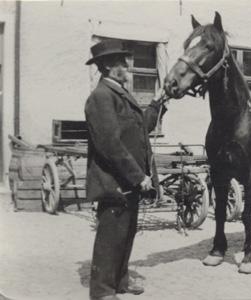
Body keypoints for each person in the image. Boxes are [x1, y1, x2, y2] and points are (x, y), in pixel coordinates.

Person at [84, 39, 167, 300]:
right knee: (111, 235)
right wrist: (138, 176)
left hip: (127, 182)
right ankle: (102, 291)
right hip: (113, 181)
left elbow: (141, 128)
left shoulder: (119, 93)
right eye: (121, 62)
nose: (127, 66)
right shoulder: (100, 97)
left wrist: (157, 103)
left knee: (126, 233)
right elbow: (110, 144)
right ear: (108, 66)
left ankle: (120, 282)